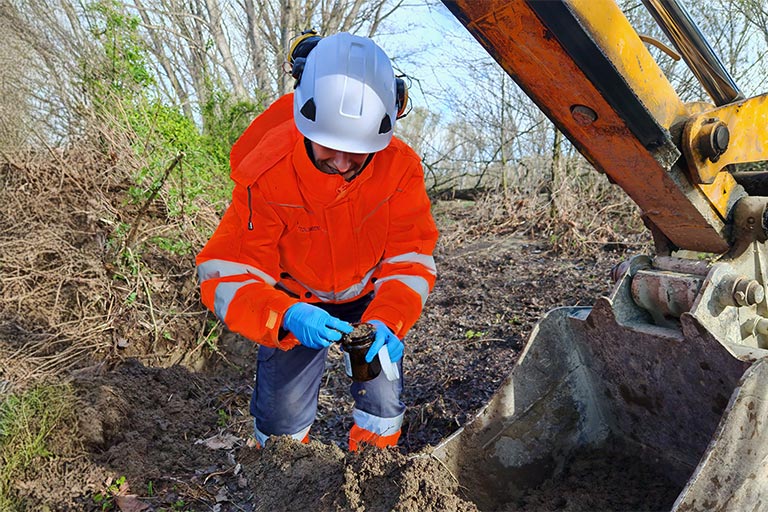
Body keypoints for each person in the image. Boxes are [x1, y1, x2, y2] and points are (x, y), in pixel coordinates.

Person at [196, 31, 438, 451]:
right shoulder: (266, 172)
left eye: (358, 150)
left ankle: (373, 477)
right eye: (330, 145)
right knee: (280, 422)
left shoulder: (399, 169)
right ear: (305, 120)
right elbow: (226, 275)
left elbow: (410, 259)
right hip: (294, 300)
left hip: (369, 299)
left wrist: (389, 318)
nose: (342, 163)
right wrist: (286, 316)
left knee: (381, 403)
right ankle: (285, 484)